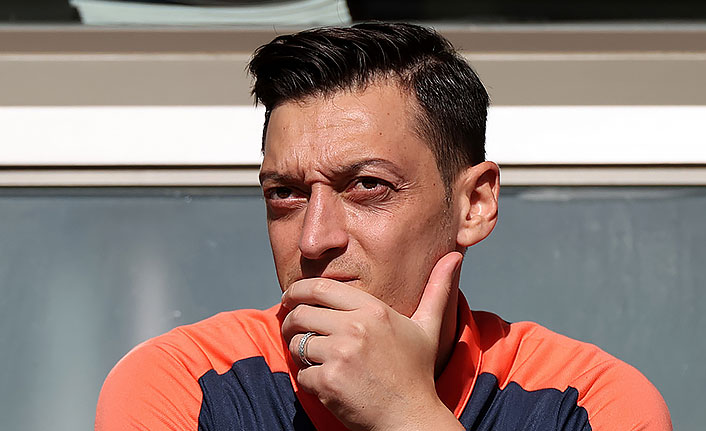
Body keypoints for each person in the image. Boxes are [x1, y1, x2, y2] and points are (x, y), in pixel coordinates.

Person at [95, 22, 672, 431]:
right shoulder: (188, 384)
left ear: (473, 204)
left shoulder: (582, 403)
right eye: (285, 194)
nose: (315, 239)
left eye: (368, 186)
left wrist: (407, 413)